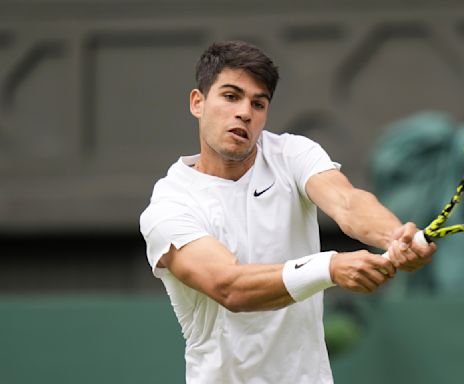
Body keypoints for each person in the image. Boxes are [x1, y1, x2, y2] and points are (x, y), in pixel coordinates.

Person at [140, 40, 436, 384]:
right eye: (231, 96)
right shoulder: (169, 206)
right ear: (198, 102)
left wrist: (395, 236)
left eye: (258, 103)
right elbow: (229, 287)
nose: (245, 112)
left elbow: (347, 202)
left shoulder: (291, 153)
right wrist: (329, 266)